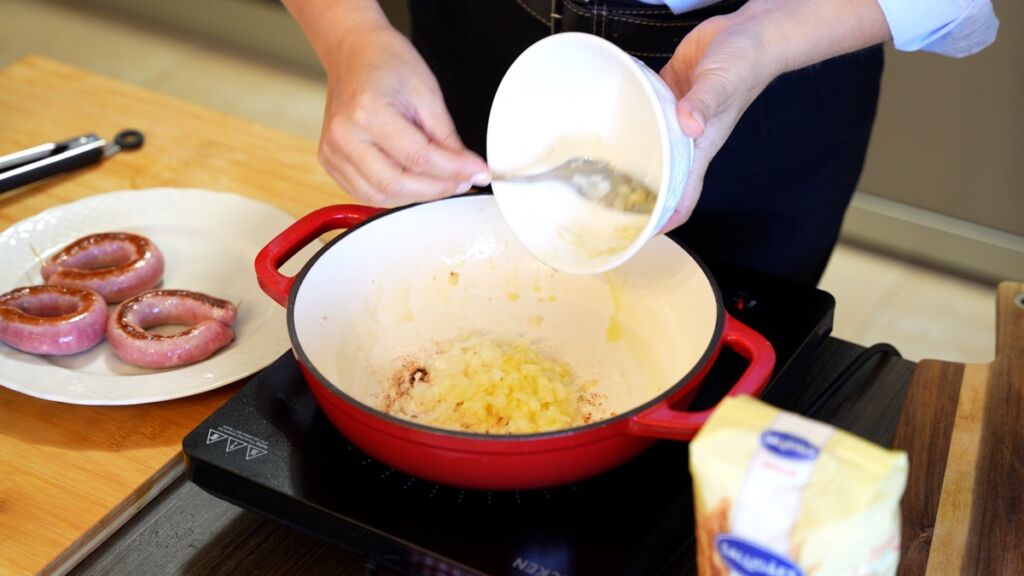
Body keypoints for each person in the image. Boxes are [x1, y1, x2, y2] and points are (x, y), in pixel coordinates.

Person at [280, 0, 998, 285]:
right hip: (481, 33)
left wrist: (765, 42)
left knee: (736, 361)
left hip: (777, 50)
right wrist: (349, 33)